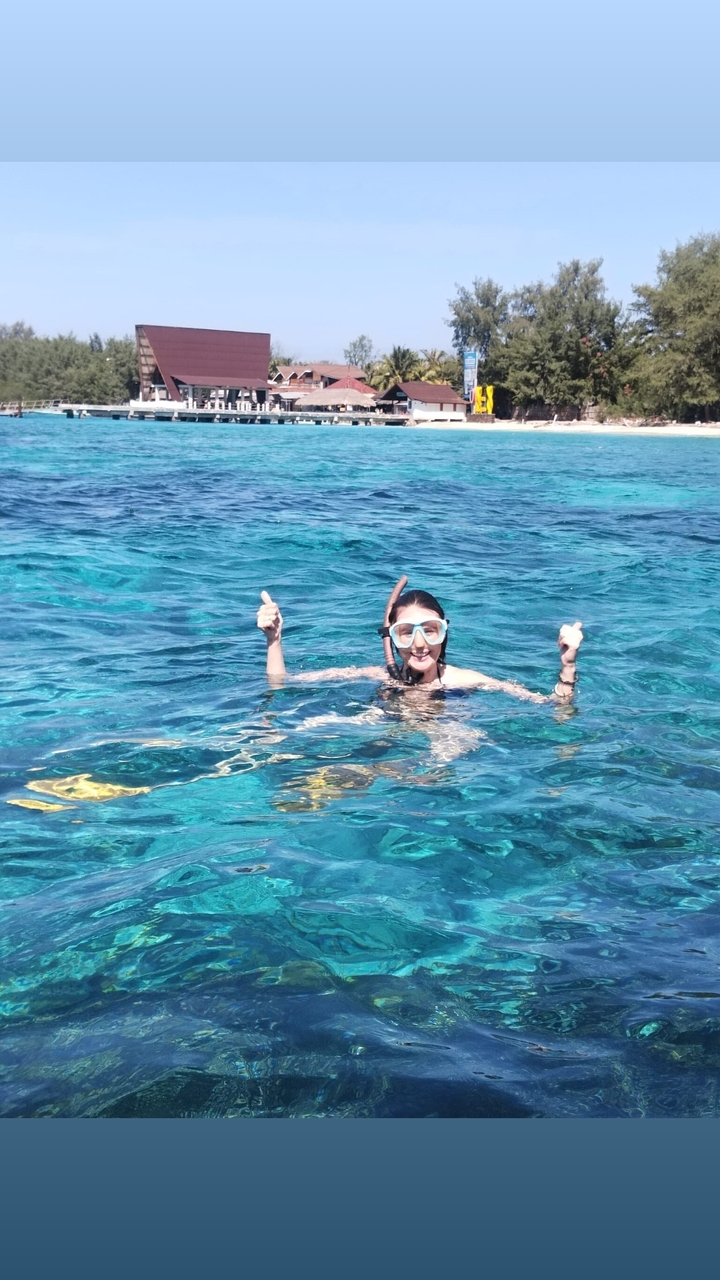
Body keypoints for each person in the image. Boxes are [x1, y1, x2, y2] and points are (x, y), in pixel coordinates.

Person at [256, 576, 583, 702]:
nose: (419, 644)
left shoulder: (466, 680)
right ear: (393, 639)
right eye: (405, 633)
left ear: (444, 633)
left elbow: (553, 707)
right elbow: (282, 683)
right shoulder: (378, 676)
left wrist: (567, 665)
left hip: (443, 748)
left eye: (429, 630)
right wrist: (274, 640)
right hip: (385, 737)